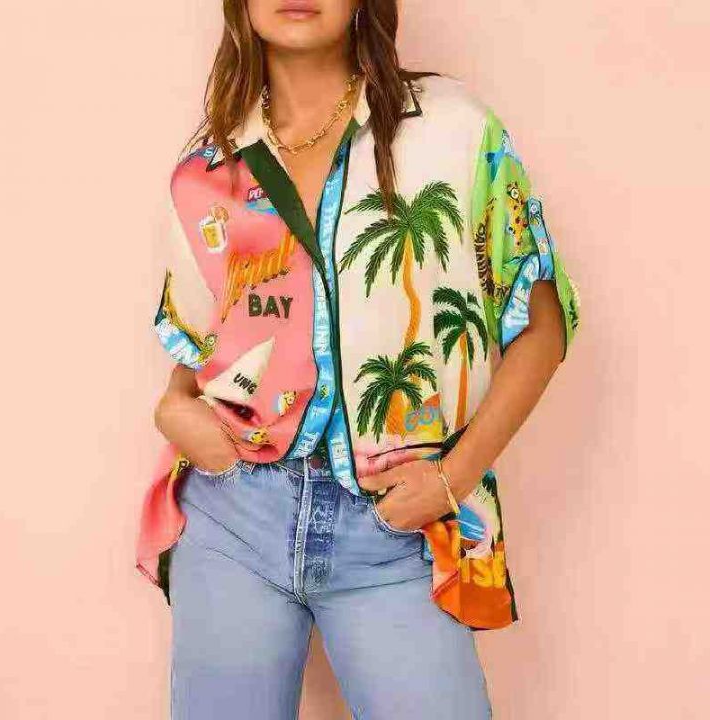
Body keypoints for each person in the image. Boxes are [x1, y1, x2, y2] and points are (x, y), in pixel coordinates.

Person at [135, 1, 581, 717]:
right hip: (233, 517)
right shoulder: (208, 167)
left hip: (393, 529)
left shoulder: (454, 129)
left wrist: (452, 479)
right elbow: (204, 337)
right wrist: (173, 409)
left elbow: (543, 328)